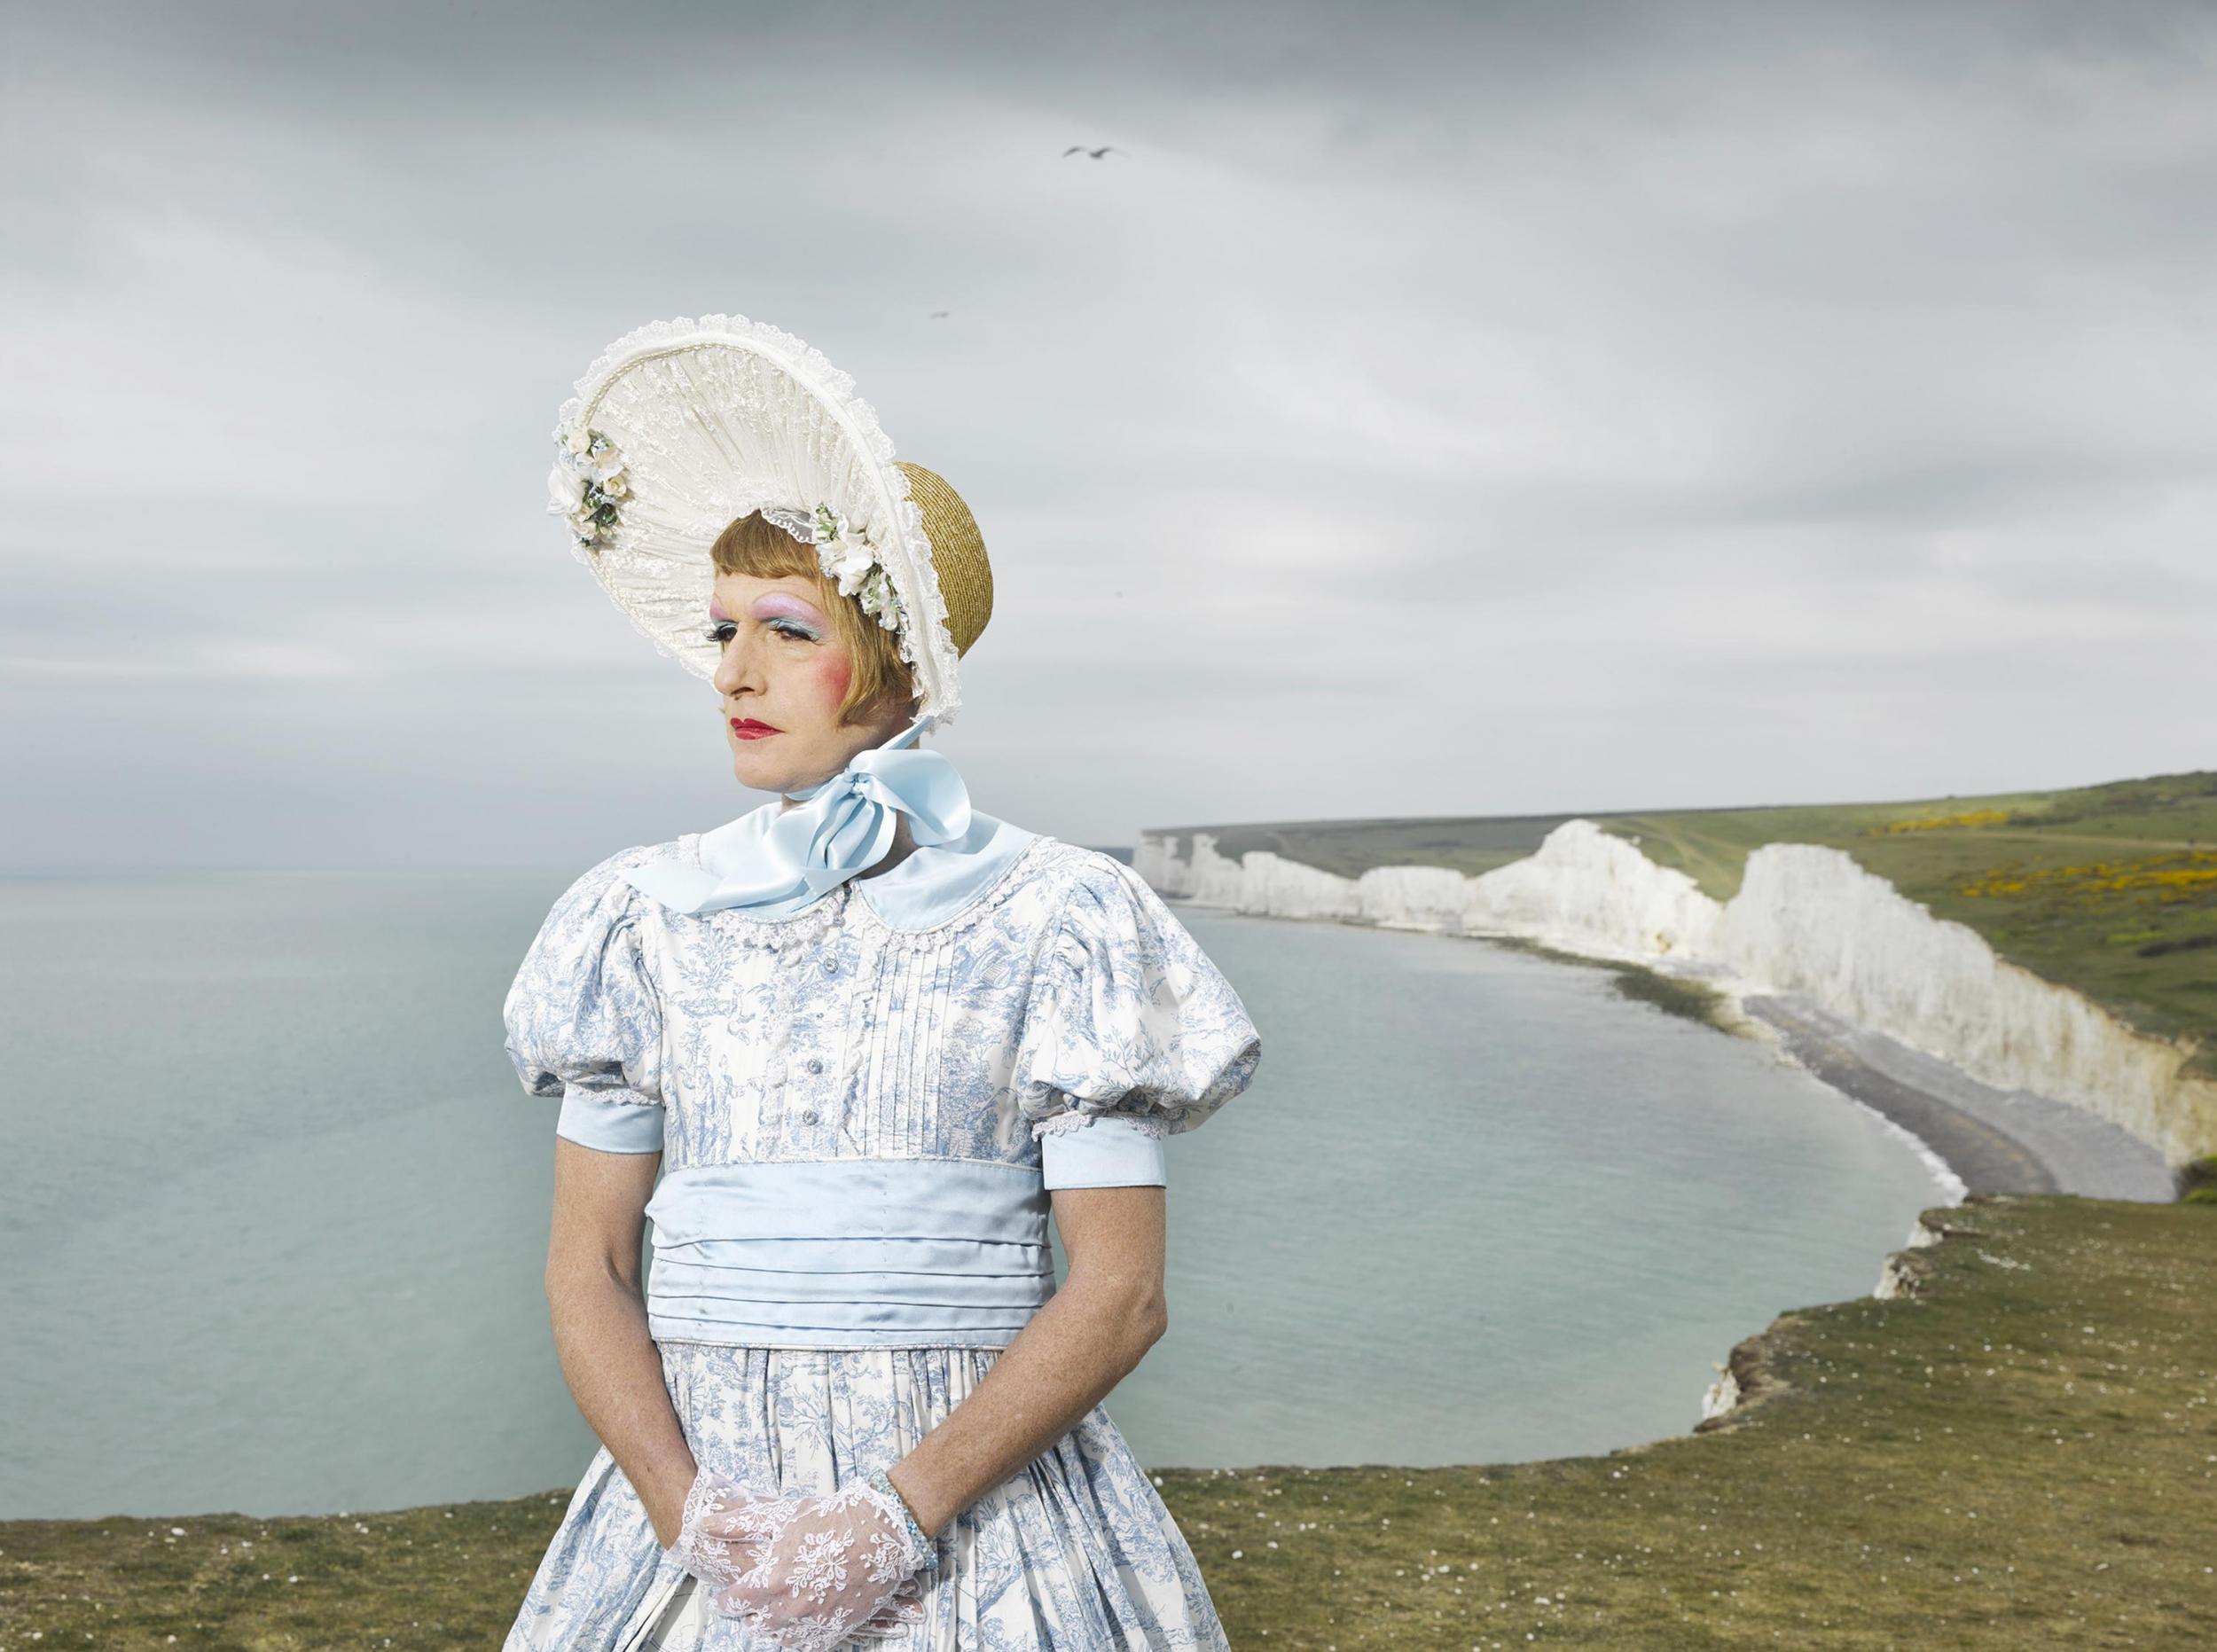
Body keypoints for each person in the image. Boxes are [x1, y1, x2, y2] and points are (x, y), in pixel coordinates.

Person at [501, 314, 1265, 1650]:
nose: (732, 672)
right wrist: (694, 1520)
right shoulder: (638, 918)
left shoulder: (1064, 917)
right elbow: (591, 1267)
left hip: (990, 1535)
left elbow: (1121, 1291)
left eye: (788, 632)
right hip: (696, 1539)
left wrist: (893, 1521)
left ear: (902, 653)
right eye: (724, 630)